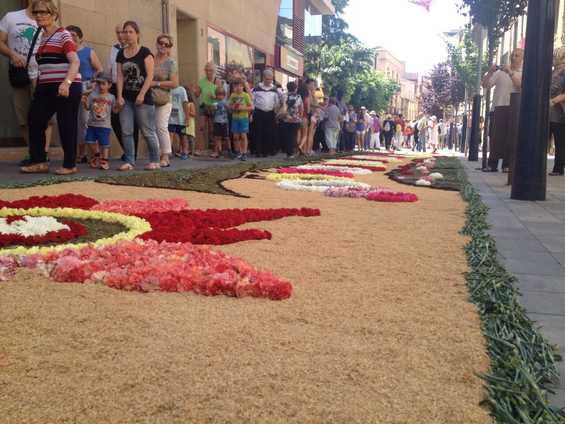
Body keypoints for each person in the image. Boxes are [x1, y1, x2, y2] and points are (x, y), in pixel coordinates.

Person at [21, 0, 82, 175]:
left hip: (66, 86)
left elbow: (75, 61)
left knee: (66, 124)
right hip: (45, 87)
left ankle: (70, 165)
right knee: (35, 119)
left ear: (53, 15)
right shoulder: (41, 36)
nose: (39, 15)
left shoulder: (63, 35)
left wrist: (66, 83)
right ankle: (39, 161)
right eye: (36, 12)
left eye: (43, 12)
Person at [0, 1, 47, 166]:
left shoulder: (46, 19)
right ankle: (33, 153)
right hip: (19, 73)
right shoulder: (11, 17)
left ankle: (44, 154)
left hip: (42, 74)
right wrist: (12, 54)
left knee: (45, 117)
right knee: (23, 117)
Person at [116, 20, 160, 171]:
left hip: (143, 99)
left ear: (137, 34)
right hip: (126, 98)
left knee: (147, 131)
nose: (127, 35)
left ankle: (155, 160)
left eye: (130, 32)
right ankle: (130, 161)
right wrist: (119, 96)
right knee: (126, 130)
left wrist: (141, 94)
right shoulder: (121, 53)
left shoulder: (145, 52)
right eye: (125, 32)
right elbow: (120, 76)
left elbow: (149, 76)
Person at [482, 48, 524, 172]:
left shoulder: (523, 72)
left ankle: (507, 165)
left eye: (517, 55)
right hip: (497, 108)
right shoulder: (500, 73)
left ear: (522, 58)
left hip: (514, 109)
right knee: (494, 137)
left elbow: (520, 86)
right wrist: (490, 72)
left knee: (510, 137)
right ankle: (492, 164)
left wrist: (510, 72)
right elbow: (485, 85)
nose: (513, 57)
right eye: (512, 55)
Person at [66, 25, 103, 164]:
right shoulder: (66, 52)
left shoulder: (88, 51)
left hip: (86, 88)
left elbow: (100, 69)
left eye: (74, 34)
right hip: (70, 87)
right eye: (69, 34)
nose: (72, 37)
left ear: (81, 38)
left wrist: (93, 83)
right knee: (74, 122)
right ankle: (80, 154)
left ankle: (93, 154)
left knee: (86, 121)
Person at [107, 24, 138, 159]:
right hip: (114, 87)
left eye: (123, 32)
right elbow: (110, 68)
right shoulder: (114, 48)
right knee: (114, 119)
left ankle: (133, 153)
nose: (120, 35)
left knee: (133, 121)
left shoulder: (133, 49)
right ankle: (127, 150)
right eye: (118, 32)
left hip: (129, 87)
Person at [151, 33, 178, 167]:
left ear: (169, 48)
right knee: (151, 128)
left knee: (161, 127)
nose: (163, 46)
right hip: (149, 98)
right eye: (161, 43)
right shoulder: (151, 58)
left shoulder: (171, 62)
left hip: (164, 99)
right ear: (157, 43)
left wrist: (156, 83)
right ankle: (156, 155)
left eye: (166, 44)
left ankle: (166, 155)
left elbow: (174, 83)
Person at [81, 73, 116, 170]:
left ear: (109, 85)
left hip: (104, 125)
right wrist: (84, 102)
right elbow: (87, 108)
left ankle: (104, 160)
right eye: (98, 84)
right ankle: (97, 154)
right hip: (92, 124)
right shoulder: (92, 95)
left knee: (104, 144)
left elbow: (115, 110)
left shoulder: (111, 97)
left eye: (103, 84)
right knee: (89, 140)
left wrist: (120, 105)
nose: (100, 86)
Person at [252, 69, 280, 156]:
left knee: (268, 133)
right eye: (267, 79)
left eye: (270, 79)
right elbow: (252, 101)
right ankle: (258, 151)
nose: (269, 81)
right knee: (258, 132)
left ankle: (267, 151)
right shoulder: (256, 89)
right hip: (259, 113)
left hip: (270, 114)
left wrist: (277, 113)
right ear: (263, 78)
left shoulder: (275, 90)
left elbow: (277, 103)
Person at [198, 61, 222, 151]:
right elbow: (197, 94)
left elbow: (222, 96)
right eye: (207, 70)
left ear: (214, 71)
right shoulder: (201, 81)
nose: (208, 72)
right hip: (203, 106)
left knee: (213, 129)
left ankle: (215, 149)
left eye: (211, 70)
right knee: (201, 127)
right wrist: (195, 91)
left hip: (214, 107)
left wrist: (215, 97)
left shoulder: (218, 81)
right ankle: (200, 148)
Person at [549, 46, 565, 176]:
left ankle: (558, 168)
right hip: (548, 111)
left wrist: (553, 101)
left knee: (560, 141)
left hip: (559, 111)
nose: (554, 58)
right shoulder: (553, 71)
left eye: (557, 55)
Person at [229, 78, 253, 160]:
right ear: (233, 87)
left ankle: (244, 152)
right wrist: (233, 107)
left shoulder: (245, 95)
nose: (238, 88)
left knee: (243, 135)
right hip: (235, 118)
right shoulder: (233, 95)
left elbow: (251, 107)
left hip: (243, 118)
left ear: (243, 86)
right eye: (236, 86)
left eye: (240, 86)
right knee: (235, 136)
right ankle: (238, 151)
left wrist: (243, 108)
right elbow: (229, 105)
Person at [168, 85, 194, 160]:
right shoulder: (168, 88)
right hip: (171, 117)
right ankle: (168, 152)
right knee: (170, 134)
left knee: (183, 135)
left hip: (181, 117)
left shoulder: (181, 89)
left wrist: (187, 117)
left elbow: (185, 103)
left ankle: (185, 151)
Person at [279, 81, 303, 158]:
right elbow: (301, 108)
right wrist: (300, 117)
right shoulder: (299, 96)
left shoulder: (284, 96)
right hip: (296, 119)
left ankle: (290, 153)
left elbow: (281, 106)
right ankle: (294, 151)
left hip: (286, 119)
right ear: (295, 88)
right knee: (294, 136)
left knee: (288, 136)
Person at [210, 86, 229, 158]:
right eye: (218, 95)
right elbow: (212, 112)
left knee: (226, 137)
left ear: (224, 95)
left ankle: (228, 151)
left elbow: (229, 110)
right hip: (217, 121)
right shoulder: (215, 103)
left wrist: (227, 107)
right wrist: (213, 109)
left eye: (221, 95)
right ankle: (217, 151)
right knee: (217, 137)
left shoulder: (226, 102)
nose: (220, 96)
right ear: (216, 95)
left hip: (224, 122)